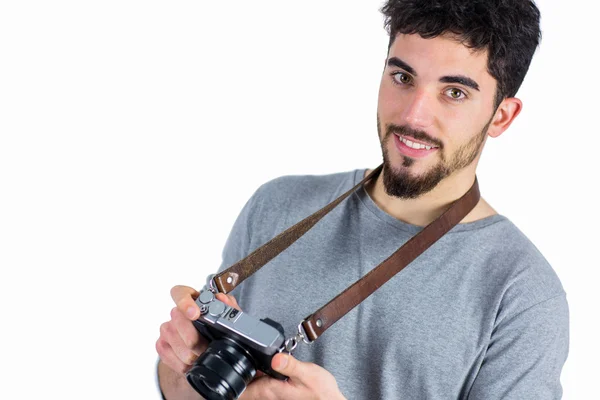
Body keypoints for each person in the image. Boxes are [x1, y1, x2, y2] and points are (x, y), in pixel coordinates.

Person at [155, 0, 569, 398]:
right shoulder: (276, 206)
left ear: (502, 115)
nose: (413, 116)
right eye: (403, 78)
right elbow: (181, 387)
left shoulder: (523, 295)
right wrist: (186, 361)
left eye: (455, 92)